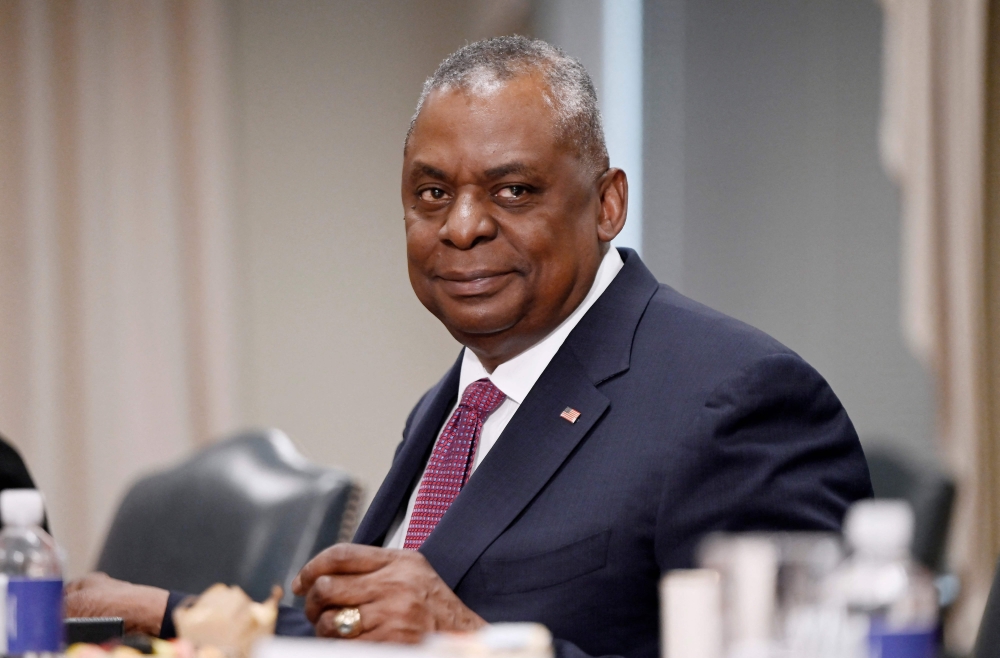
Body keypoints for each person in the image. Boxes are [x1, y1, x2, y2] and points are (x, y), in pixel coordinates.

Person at [66, 36, 872, 658]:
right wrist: (151, 609)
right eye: (431, 193)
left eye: (513, 190)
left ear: (607, 203)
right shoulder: (459, 401)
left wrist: (473, 641)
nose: (461, 226)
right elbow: (375, 632)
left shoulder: (736, 401)